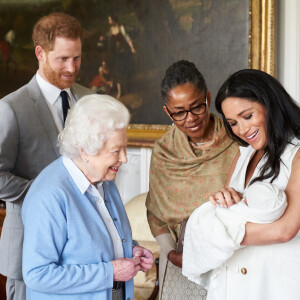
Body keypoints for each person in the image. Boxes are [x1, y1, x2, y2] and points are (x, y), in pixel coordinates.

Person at [22, 94, 154, 300]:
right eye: (116, 150)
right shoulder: (49, 195)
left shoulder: (105, 180)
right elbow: (37, 274)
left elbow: (95, 243)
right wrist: (109, 273)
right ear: (85, 150)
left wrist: (131, 249)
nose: (125, 158)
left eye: (125, 147)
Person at [0, 12, 93, 300]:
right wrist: (46, 196)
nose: (72, 67)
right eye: (63, 59)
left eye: (76, 58)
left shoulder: (90, 100)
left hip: (82, 253)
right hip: (30, 248)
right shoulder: (10, 107)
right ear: (40, 53)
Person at [145, 60, 239, 299]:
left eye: (197, 107)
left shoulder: (236, 140)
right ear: (168, 112)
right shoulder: (164, 151)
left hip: (232, 253)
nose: (191, 118)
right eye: (179, 112)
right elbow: (156, 210)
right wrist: (170, 253)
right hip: (180, 258)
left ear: (207, 98)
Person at [209, 69, 300, 300]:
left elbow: (285, 229)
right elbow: (229, 210)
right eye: (233, 123)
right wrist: (225, 197)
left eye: (247, 116)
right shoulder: (243, 155)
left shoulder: (296, 154)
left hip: (274, 283)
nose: (242, 129)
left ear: (270, 104)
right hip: (235, 278)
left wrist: (217, 232)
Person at [182, 182, 287, 299]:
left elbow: (284, 231)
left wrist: (202, 238)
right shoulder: (239, 163)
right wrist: (225, 196)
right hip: (228, 272)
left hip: (263, 275)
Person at [99, 14, 136, 99]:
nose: (109, 21)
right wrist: (102, 39)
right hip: (116, 55)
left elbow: (127, 38)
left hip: (124, 53)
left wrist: (132, 48)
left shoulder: (121, 28)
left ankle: (127, 90)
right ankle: (120, 92)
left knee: (125, 72)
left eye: (109, 20)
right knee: (118, 73)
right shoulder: (111, 30)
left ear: (113, 20)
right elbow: (107, 38)